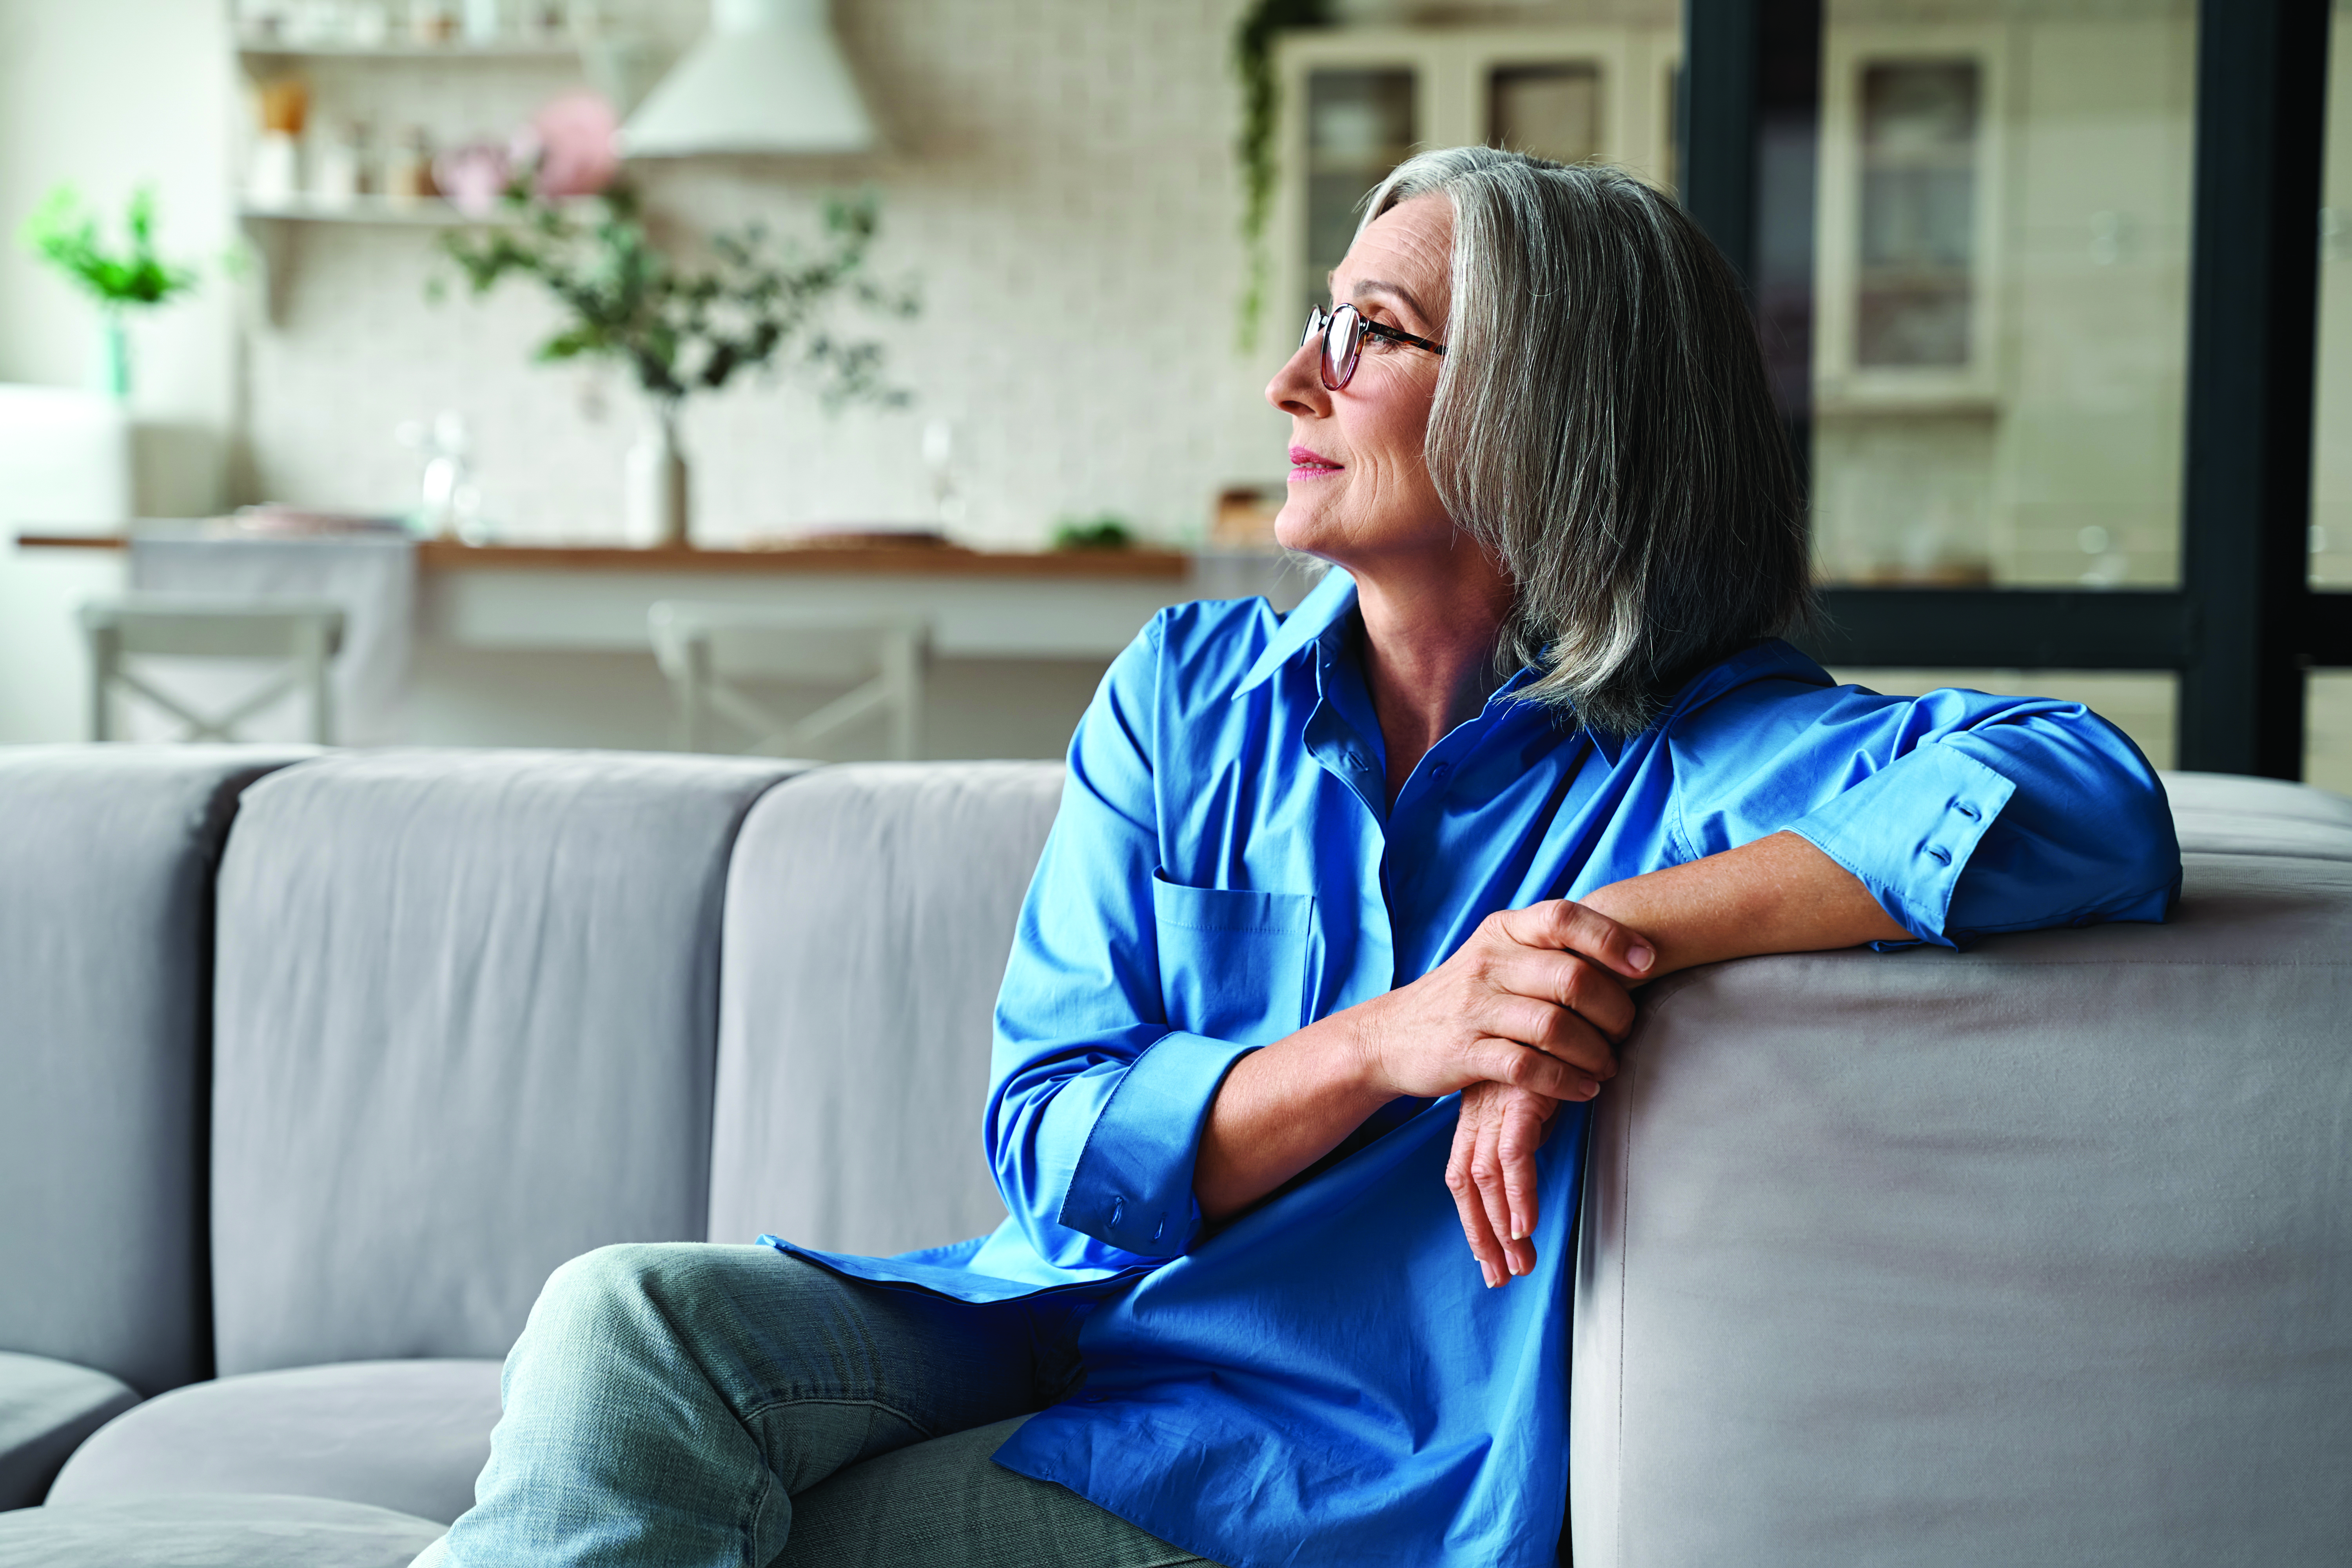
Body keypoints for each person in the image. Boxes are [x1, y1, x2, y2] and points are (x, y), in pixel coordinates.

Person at [414, 148, 2179, 1568]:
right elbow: (1051, 1144)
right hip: (1061, 1324)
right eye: (1321, 323)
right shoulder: (1189, 695)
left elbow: (2089, 796)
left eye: (1370, 334)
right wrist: (1408, 1033)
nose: (1292, 380)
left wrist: (1591, 930)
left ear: (1547, 412)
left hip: (1305, 1466)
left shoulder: (1710, 755)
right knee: (626, 1319)